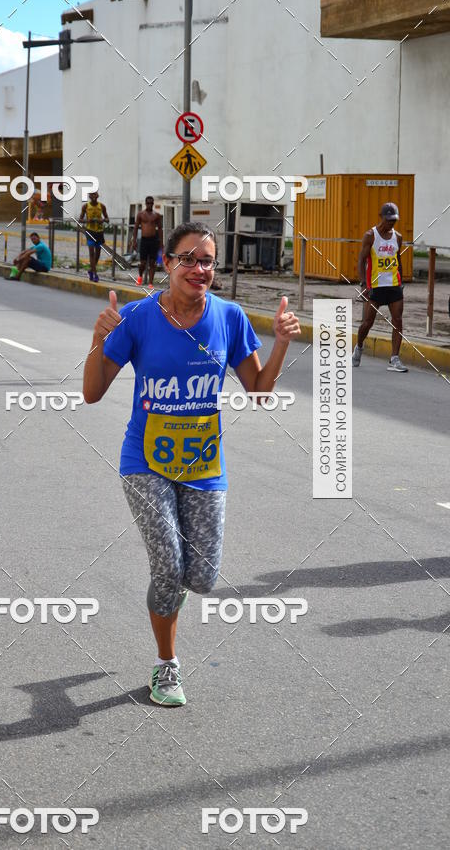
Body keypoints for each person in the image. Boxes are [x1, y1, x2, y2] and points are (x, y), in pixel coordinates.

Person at [83, 222, 300, 706]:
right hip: (145, 462)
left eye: (207, 261)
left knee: (200, 578)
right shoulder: (137, 317)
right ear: (167, 263)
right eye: (188, 259)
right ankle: (166, 664)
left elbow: (259, 393)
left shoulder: (229, 317)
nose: (198, 269)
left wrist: (282, 343)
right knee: (168, 566)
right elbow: (92, 393)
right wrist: (98, 339)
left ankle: (170, 591)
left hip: (204, 467)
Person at [352, 201, 408, 372]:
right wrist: (363, 284)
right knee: (368, 322)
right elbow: (361, 260)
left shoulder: (398, 237)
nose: (391, 223)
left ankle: (394, 358)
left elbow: (398, 259)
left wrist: (401, 281)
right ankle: (359, 347)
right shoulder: (370, 235)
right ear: (381, 217)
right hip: (375, 286)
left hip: (394, 285)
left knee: (397, 321)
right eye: (389, 219)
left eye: (394, 220)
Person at [131, 196, 163, 290]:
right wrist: (134, 241)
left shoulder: (156, 215)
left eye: (151, 203)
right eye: (148, 203)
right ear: (145, 203)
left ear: (153, 204)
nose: (149, 205)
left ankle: (150, 282)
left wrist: (161, 242)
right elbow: (136, 227)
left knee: (152, 263)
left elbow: (160, 229)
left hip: (153, 240)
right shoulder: (140, 214)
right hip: (144, 240)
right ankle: (140, 276)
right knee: (143, 263)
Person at [79, 191, 109, 283]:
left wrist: (102, 220)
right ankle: (95, 274)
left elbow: (107, 219)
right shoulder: (85, 206)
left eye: (95, 194)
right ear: (89, 196)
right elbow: (80, 219)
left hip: (99, 232)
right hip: (90, 231)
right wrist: (88, 220)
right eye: (91, 194)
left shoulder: (102, 206)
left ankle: (91, 270)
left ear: (97, 195)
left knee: (98, 254)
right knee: (91, 253)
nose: (93, 196)